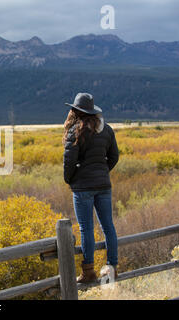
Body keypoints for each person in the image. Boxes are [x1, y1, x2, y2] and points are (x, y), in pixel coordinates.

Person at [62, 92, 119, 283]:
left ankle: (88, 272)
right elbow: (114, 157)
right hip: (103, 185)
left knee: (87, 229)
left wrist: (71, 180)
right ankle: (112, 268)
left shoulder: (75, 131)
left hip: (83, 188)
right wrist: (103, 171)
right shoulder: (107, 130)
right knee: (108, 226)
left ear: (76, 111)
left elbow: (68, 161)